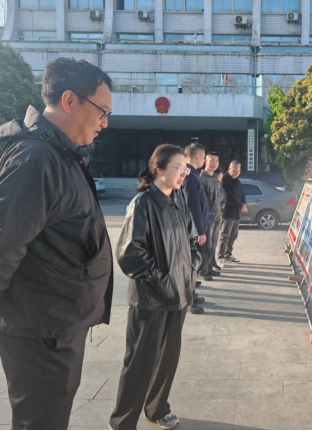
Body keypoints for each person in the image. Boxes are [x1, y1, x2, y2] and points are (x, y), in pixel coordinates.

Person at [0, 58, 114, 430]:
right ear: (69, 100)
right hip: (41, 326)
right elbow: (3, 238)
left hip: (55, 319)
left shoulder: (61, 152)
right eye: (102, 111)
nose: (104, 123)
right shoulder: (35, 157)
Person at [109, 144, 200, 431]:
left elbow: (192, 240)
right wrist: (162, 281)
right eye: (178, 168)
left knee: (167, 359)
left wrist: (192, 269)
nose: (183, 173)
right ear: (159, 169)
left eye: (185, 169)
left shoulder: (178, 200)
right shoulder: (143, 203)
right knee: (139, 362)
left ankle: (157, 408)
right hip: (150, 299)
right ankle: (122, 422)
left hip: (179, 296)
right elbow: (129, 253)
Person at [181, 143, 210, 314]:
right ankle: (187, 300)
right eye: (204, 157)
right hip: (191, 230)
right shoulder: (189, 175)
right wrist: (199, 230)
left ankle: (191, 293)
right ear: (197, 156)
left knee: (194, 264)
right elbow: (193, 205)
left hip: (194, 228)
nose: (205, 160)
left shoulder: (192, 174)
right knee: (190, 264)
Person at [218, 161, 248, 265]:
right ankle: (221, 257)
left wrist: (243, 204)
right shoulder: (224, 180)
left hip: (236, 213)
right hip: (227, 213)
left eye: (238, 171)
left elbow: (242, 194)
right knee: (225, 236)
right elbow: (228, 196)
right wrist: (240, 206)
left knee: (233, 235)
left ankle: (228, 255)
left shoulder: (237, 181)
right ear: (229, 169)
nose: (236, 173)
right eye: (234, 170)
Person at [199, 152, 223, 280]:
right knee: (206, 247)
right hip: (207, 218)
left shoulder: (215, 178)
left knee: (213, 246)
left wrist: (220, 213)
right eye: (212, 160)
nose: (214, 163)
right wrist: (203, 220)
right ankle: (202, 272)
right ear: (205, 161)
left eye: (216, 160)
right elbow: (200, 201)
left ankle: (209, 268)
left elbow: (217, 198)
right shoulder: (201, 178)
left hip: (216, 217)